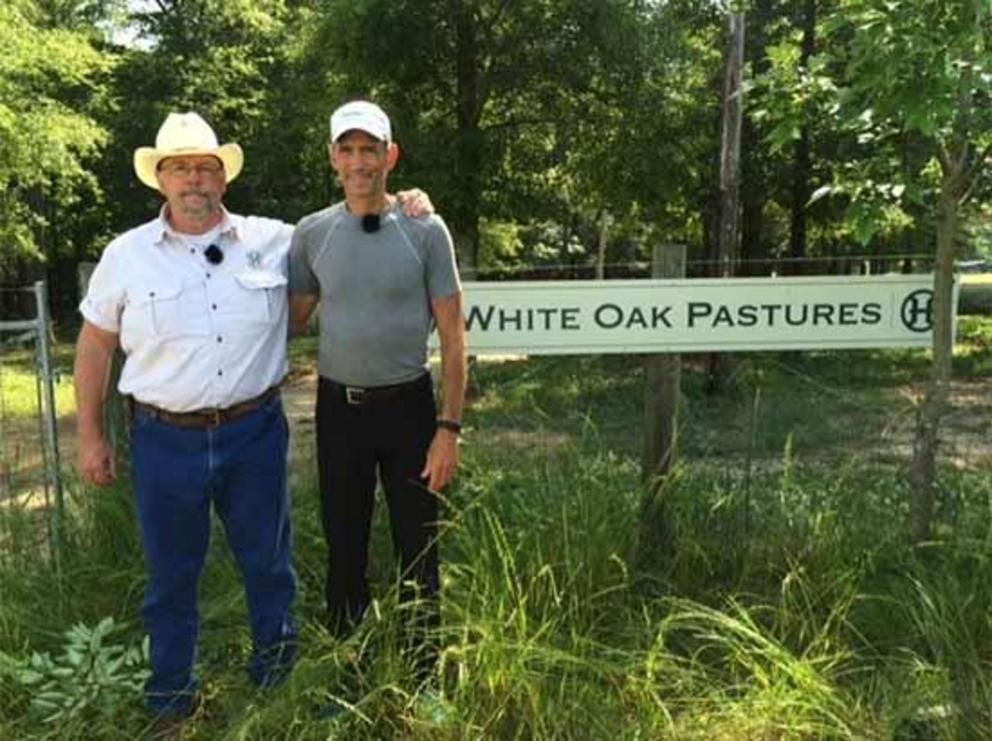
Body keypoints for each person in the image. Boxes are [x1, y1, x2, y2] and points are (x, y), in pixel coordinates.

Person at [73, 110, 432, 725]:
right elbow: (95, 345)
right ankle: (171, 702)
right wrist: (90, 436)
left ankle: (279, 688)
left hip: (254, 434)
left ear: (223, 178)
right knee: (170, 579)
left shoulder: (277, 239)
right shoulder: (125, 256)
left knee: (270, 568)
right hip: (163, 440)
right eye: (180, 168)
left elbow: (352, 219)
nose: (194, 179)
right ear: (159, 178)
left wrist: (403, 201)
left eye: (206, 167)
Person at [288, 100, 467, 681]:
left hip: (411, 411)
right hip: (339, 411)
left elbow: (454, 336)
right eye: (348, 149)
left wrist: (448, 430)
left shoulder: (424, 228)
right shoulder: (311, 234)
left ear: (390, 157)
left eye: (371, 149)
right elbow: (286, 319)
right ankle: (350, 672)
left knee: (419, 549)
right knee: (345, 544)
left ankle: (421, 676)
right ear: (333, 158)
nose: (360, 161)